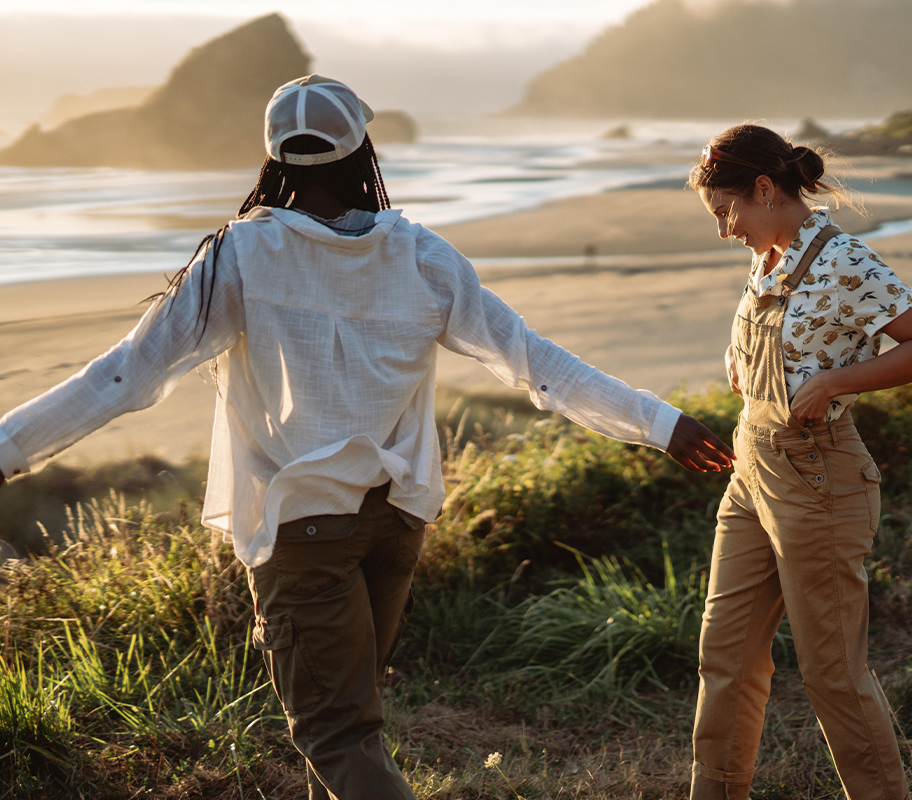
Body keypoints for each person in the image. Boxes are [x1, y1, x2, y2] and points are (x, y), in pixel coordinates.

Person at [0, 76, 734, 800]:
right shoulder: (422, 257)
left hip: (305, 534)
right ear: (363, 152)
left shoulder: (240, 257)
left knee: (336, 736)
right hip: (395, 521)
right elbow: (537, 364)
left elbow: (124, 378)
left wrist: (9, 448)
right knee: (354, 728)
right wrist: (660, 424)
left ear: (276, 159)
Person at [685, 124, 912, 800]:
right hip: (753, 474)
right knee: (725, 659)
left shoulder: (845, 260)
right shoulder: (769, 256)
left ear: (764, 188)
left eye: (727, 212)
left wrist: (837, 383)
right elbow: (797, 338)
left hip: (819, 478)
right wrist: (742, 362)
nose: (725, 230)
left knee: (831, 672)